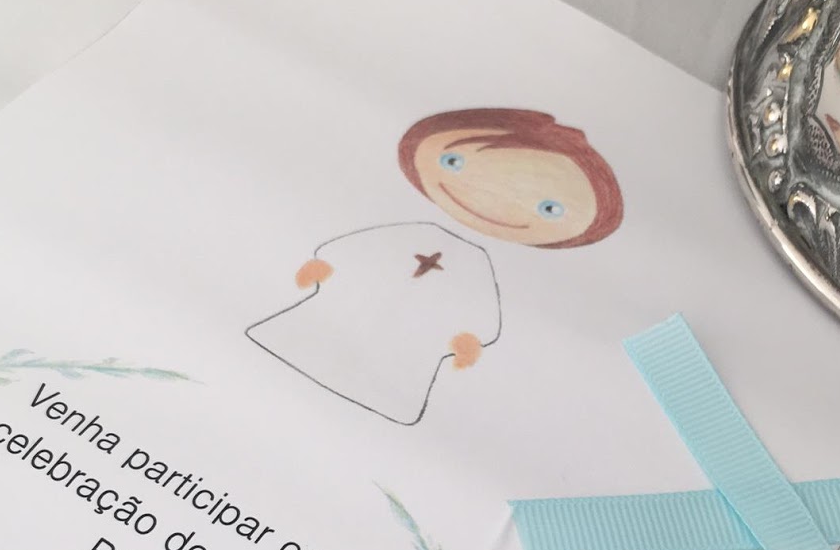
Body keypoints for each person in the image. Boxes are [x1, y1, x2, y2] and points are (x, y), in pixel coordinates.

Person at [246, 108, 623, 425]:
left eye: (549, 208)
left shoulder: (476, 264)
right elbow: (359, 249)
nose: (487, 201)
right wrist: (326, 265)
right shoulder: (415, 232)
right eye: (453, 161)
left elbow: (481, 313)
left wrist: (468, 338)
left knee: (386, 380)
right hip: (335, 315)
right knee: (305, 340)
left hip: (404, 355)